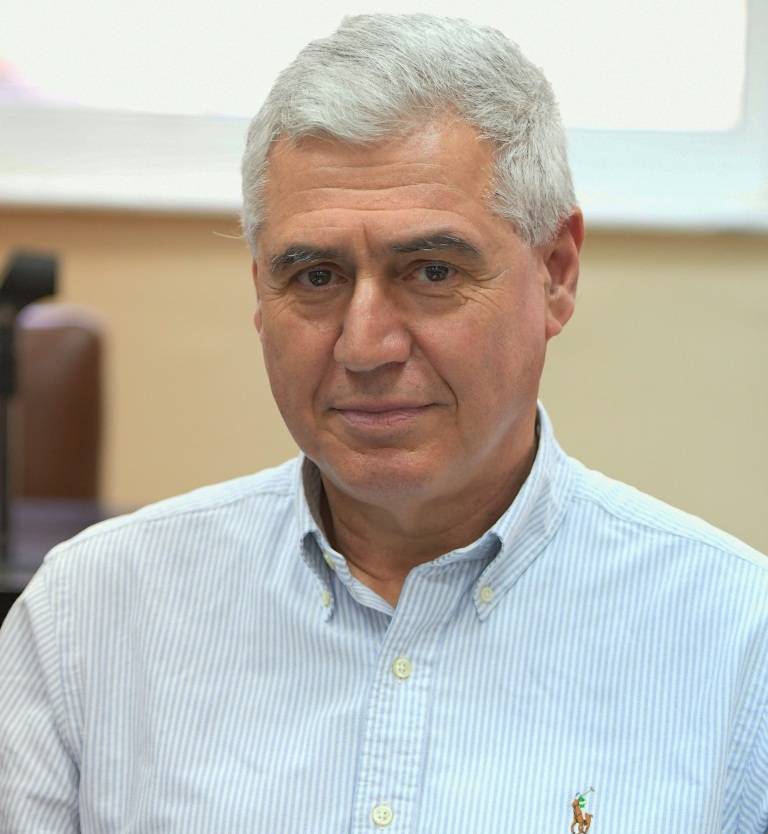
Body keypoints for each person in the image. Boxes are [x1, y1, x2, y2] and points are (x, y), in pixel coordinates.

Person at [1, 13, 766, 834]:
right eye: (316, 276)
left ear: (556, 274)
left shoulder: (734, 646)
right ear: (260, 293)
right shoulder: (89, 618)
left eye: (432, 271)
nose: (365, 347)